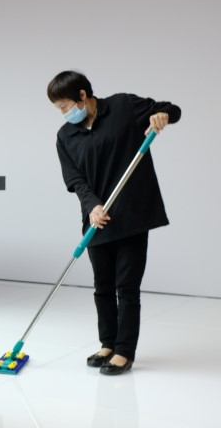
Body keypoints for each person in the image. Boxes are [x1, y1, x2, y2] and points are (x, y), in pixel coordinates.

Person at [47, 70, 180, 375]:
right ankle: (107, 343)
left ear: (83, 95)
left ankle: (124, 351)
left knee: (127, 287)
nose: (63, 113)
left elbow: (172, 109)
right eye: (58, 109)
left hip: (132, 215)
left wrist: (163, 116)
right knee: (102, 287)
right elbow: (75, 179)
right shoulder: (65, 136)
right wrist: (91, 205)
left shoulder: (122, 107)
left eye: (65, 105)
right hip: (97, 219)